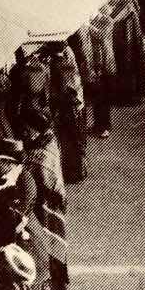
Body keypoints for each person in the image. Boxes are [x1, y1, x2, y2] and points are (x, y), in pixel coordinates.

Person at [18, 107, 68, 290]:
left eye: (27, 129)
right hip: (49, 206)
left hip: (46, 209)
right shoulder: (48, 142)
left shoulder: (40, 155)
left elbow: (44, 181)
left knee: (48, 253)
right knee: (53, 251)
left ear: (34, 128)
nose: (25, 134)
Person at [49, 43, 87, 185]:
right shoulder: (67, 61)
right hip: (73, 105)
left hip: (65, 108)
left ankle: (71, 171)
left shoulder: (56, 65)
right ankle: (78, 170)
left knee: (66, 140)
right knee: (74, 139)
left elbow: (61, 89)